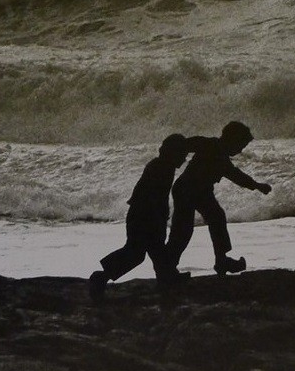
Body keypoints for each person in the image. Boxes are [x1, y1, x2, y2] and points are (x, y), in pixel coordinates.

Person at [89, 134, 190, 299]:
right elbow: (152, 196)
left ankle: (168, 277)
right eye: (182, 155)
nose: (184, 160)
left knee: (154, 252)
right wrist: (159, 216)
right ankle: (101, 276)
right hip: (145, 217)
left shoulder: (163, 165)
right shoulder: (161, 167)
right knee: (138, 253)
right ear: (173, 153)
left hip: (144, 215)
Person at [165, 121, 271, 275]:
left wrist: (256, 185)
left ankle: (221, 259)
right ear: (232, 139)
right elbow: (185, 144)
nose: (240, 151)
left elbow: (235, 175)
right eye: (240, 146)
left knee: (216, 218)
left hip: (200, 191)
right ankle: (168, 266)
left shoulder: (219, 153)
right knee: (183, 230)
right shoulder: (210, 145)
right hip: (187, 189)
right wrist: (168, 158)